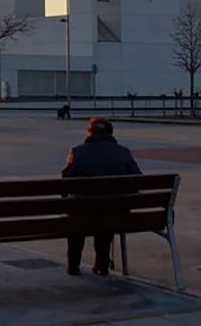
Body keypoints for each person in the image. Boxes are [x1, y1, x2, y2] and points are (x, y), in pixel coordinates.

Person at [61, 116, 142, 277]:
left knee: (79, 215)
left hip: (83, 211)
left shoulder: (77, 152)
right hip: (115, 213)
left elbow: (66, 182)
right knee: (107, 214)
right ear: (111, 133)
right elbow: (138, 181)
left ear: (89, 133)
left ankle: (73, 265)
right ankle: (102, 264)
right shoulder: (123, 152)